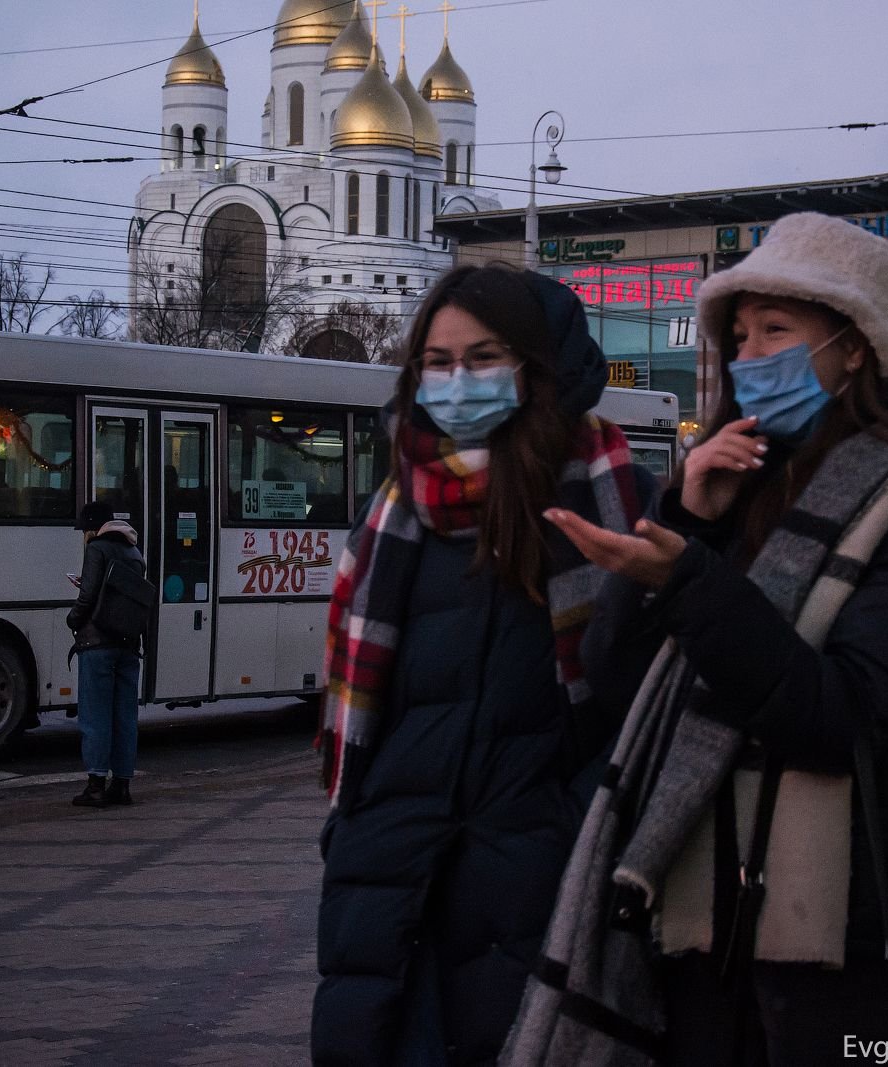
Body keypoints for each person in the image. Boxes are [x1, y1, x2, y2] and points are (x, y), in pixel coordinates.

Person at [511, 212, 888, 1065]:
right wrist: (686, 523)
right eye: (738, 336)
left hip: (858, 947)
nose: (748, 359)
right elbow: (624, 685)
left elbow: (845, 713)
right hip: (708, 922)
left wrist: (690, 582)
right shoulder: (742, 489)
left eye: (776, 331)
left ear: (855, 345)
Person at [311, 264, 656, 1065]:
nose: (457, 380)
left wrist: (556, 833)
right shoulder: (397, 512)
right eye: (437, 361)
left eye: (483, 356)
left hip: (537, 901)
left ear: (537, 369)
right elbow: (374, 717)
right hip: (391, 901)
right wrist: (355, 831)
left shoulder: (614, 502)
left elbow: (642, 713)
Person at [66, 499, 146, 808]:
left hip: (98, 644)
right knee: (125, 716)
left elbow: (88, 597)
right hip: (128, 645)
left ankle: (96, 785)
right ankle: (122, 786)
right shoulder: (134, 552)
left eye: (84, 530)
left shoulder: (96, 549)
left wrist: (72, 619)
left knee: (95, 716)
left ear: (92, 529)